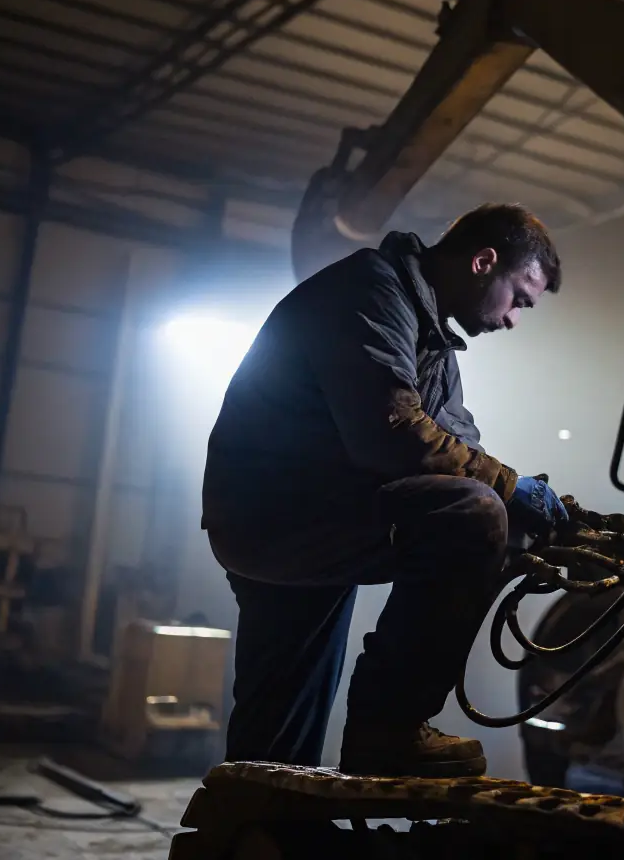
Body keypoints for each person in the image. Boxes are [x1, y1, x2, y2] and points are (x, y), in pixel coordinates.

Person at [201, 203, 569, 777]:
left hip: (306, 513)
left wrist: (546, 511)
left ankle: (252, 838)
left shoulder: (429, 337)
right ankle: (387, 730)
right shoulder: (369, 292)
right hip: (281, 516)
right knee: (472, 514)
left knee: (279, 731)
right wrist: (507, 492)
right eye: (520, 297)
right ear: (484, 261)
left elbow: (457, 444)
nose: (514, 319)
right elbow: (391, 433)